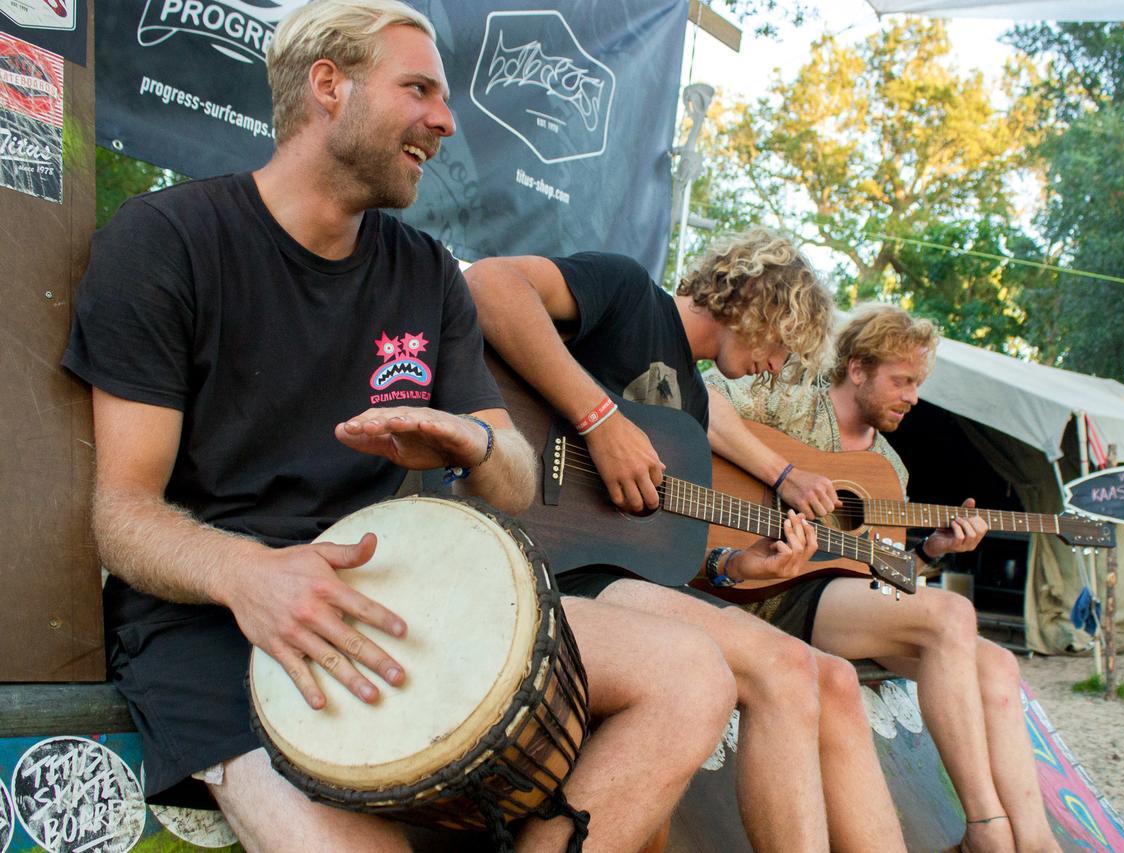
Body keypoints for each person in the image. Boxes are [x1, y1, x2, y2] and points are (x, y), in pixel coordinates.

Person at [61, 2, 738, 850]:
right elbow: (122, 514)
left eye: (444, 97)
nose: (446, 122)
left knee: (690, 673)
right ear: (328, 86)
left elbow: (516, 479)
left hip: (393, 591)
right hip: (211, 620)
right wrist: (252, 575)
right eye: (418, 88)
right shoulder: (167, 243)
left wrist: (478, 445)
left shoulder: (425, 273)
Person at [465, 233, 910, 853]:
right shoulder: (626, 290)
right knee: (783, 667)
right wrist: (600, 420)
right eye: (782, 344)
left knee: (820, 672)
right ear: (753, 302)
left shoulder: (693, 406)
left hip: (600, 578)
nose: (777, 367)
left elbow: (655, 547)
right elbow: (488, 282)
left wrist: (740, 565)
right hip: (518, 541)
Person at [706, 302, 1063, 853]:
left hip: (840, 602)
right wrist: (785, 474)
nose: (914, 397)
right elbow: (702, 401)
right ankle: (985, 829)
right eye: (902, 381)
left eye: (917, 383)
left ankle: (1036, 842)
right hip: (764, 590)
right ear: (857, 370)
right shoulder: (786, 404)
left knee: (997, 663)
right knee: (953, 613)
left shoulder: (890, 470)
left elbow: (882, 581)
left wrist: (934, 550)